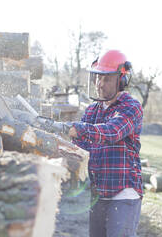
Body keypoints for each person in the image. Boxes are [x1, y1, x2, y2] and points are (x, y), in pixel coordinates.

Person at [65, 50, 144, 237]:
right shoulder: (92, 110)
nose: (100, 84)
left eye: (107, 78)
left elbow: (112, 131)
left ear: (122, 80)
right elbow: (80, 146)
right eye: (98, 77)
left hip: (123, 193)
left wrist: (75, 128)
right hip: (99, 193)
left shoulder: (131, 107)